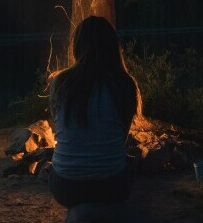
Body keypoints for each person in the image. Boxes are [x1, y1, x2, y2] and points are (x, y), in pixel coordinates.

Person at [48, 16, 142, 209]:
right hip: (112, 188)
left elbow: (58, 128)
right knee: (133, 160)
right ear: (113, 47)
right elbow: (122, 138)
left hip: (66, 188)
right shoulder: (124, 84)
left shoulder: (60, 82)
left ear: (78, 46)